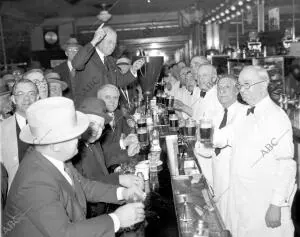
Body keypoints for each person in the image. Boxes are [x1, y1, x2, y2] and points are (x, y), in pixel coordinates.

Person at [3, 97, 145, 237]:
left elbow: (84, 187)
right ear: (56, 144)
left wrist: (123, 193)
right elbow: (64, 233)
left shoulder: (57, 158)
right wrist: (117, 219)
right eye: (74, 134)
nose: (79, 137)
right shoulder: (34, 183)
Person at [213, 66, 296, 237]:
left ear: (264, 84)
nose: (242, 90)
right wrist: (205, 133)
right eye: (240, 85)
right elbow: (224, 137)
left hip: (264, 200)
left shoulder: (276, 117)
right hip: (243, 199)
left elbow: (286, 164)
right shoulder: (245, 114)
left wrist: (276, 204)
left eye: (247, 85)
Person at [72, 97, 144, 217]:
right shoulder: (73, 152)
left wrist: (127, 154)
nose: (97, 130)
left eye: (101, 126)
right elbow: (86, 186)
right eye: (92, 123)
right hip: (92, 213)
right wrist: (119, 179)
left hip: (106, 202)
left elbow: (104, 161)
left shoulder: (93, 143)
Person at [195, 75, 247, 226]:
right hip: (218, 176)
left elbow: (222, 138)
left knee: (235, 223)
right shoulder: (216, 116)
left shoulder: (244, 113)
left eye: (227, 88)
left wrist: (206, 137)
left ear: (237, 90)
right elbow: (209, 151)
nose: (222, 91)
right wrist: (198, 143)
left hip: (235, 178)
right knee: (221, 221)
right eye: (219, 88)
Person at [72, 25, 145, 103]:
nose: (112, 46)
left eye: (114, 43)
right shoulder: (88, 55)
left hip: (106, 109)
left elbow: (120, 81)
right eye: (110, 42)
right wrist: (93, 41)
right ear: (99, 40)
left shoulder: (111, 61)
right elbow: (76, 64)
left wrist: (133, 69)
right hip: (87, 110)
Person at [1, 79, 39, 190]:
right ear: (13, 99)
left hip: (47, 194)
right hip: (16, 196)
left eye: (31, 94)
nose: (27, 99)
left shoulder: (49, 125)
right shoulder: (2, 129)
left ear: (37, 97)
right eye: (20, 94)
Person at [97, 84, 140, 172]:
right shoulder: (96, 120)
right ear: (99, 100)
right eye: (108, 97)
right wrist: (123, 143)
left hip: (121, 160)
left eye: (115, 97)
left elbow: (129, 130)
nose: (112, 101)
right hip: (106, 169)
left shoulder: (117, 113)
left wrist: (133, 137)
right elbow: (101, 152)